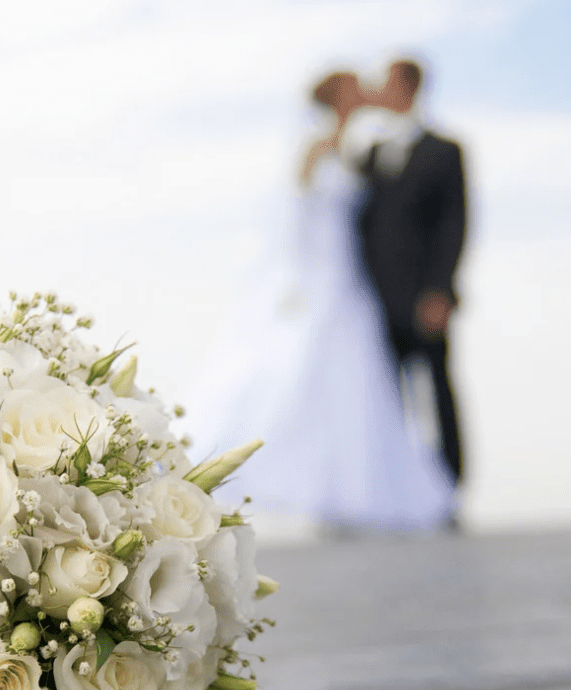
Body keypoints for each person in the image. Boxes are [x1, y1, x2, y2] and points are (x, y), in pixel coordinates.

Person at [185, 70, 452, 531]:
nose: (364, 91)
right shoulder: (315, 147)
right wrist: (297, 282)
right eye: (354, 87)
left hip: (353, 282)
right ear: (335, 97)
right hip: (320, 280)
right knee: (308, 379)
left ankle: (350, 492)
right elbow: (293, 218)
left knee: (357, 389)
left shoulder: (358, 150)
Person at [354, 58, 468, 487]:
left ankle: (449, 487)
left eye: (383, 82)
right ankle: (395, 490)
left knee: (438, 392)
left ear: (408, 86)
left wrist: (441, 289)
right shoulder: (369, 155)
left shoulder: (445, 151)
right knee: (384, 399)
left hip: (425, 297)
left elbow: (454, 224)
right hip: (373, 299)